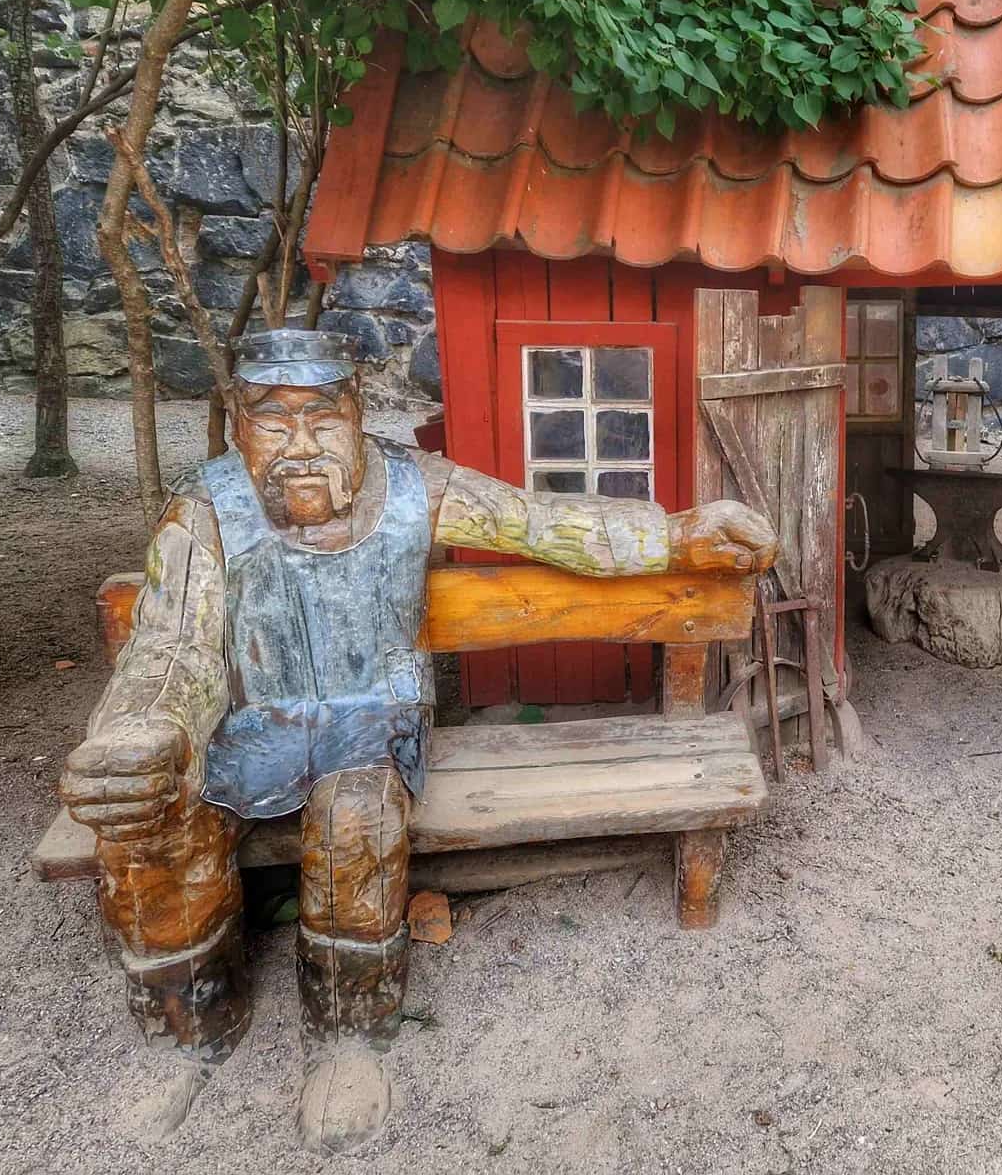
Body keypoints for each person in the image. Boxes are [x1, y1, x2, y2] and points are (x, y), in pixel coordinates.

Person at [58, 328, 774, 1149]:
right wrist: (145, 734)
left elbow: (544, 525)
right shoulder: (205, 506)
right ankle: (189, 1030)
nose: (300, 445)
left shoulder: (412, 484)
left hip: (371, 717)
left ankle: (350, 1033)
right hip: (248, 724)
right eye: (273, 420)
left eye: (322, 419)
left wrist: (678, 535)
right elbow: (173, 645)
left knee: (357, 822)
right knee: (153, 830)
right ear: (236, 419)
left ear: (357, 412)